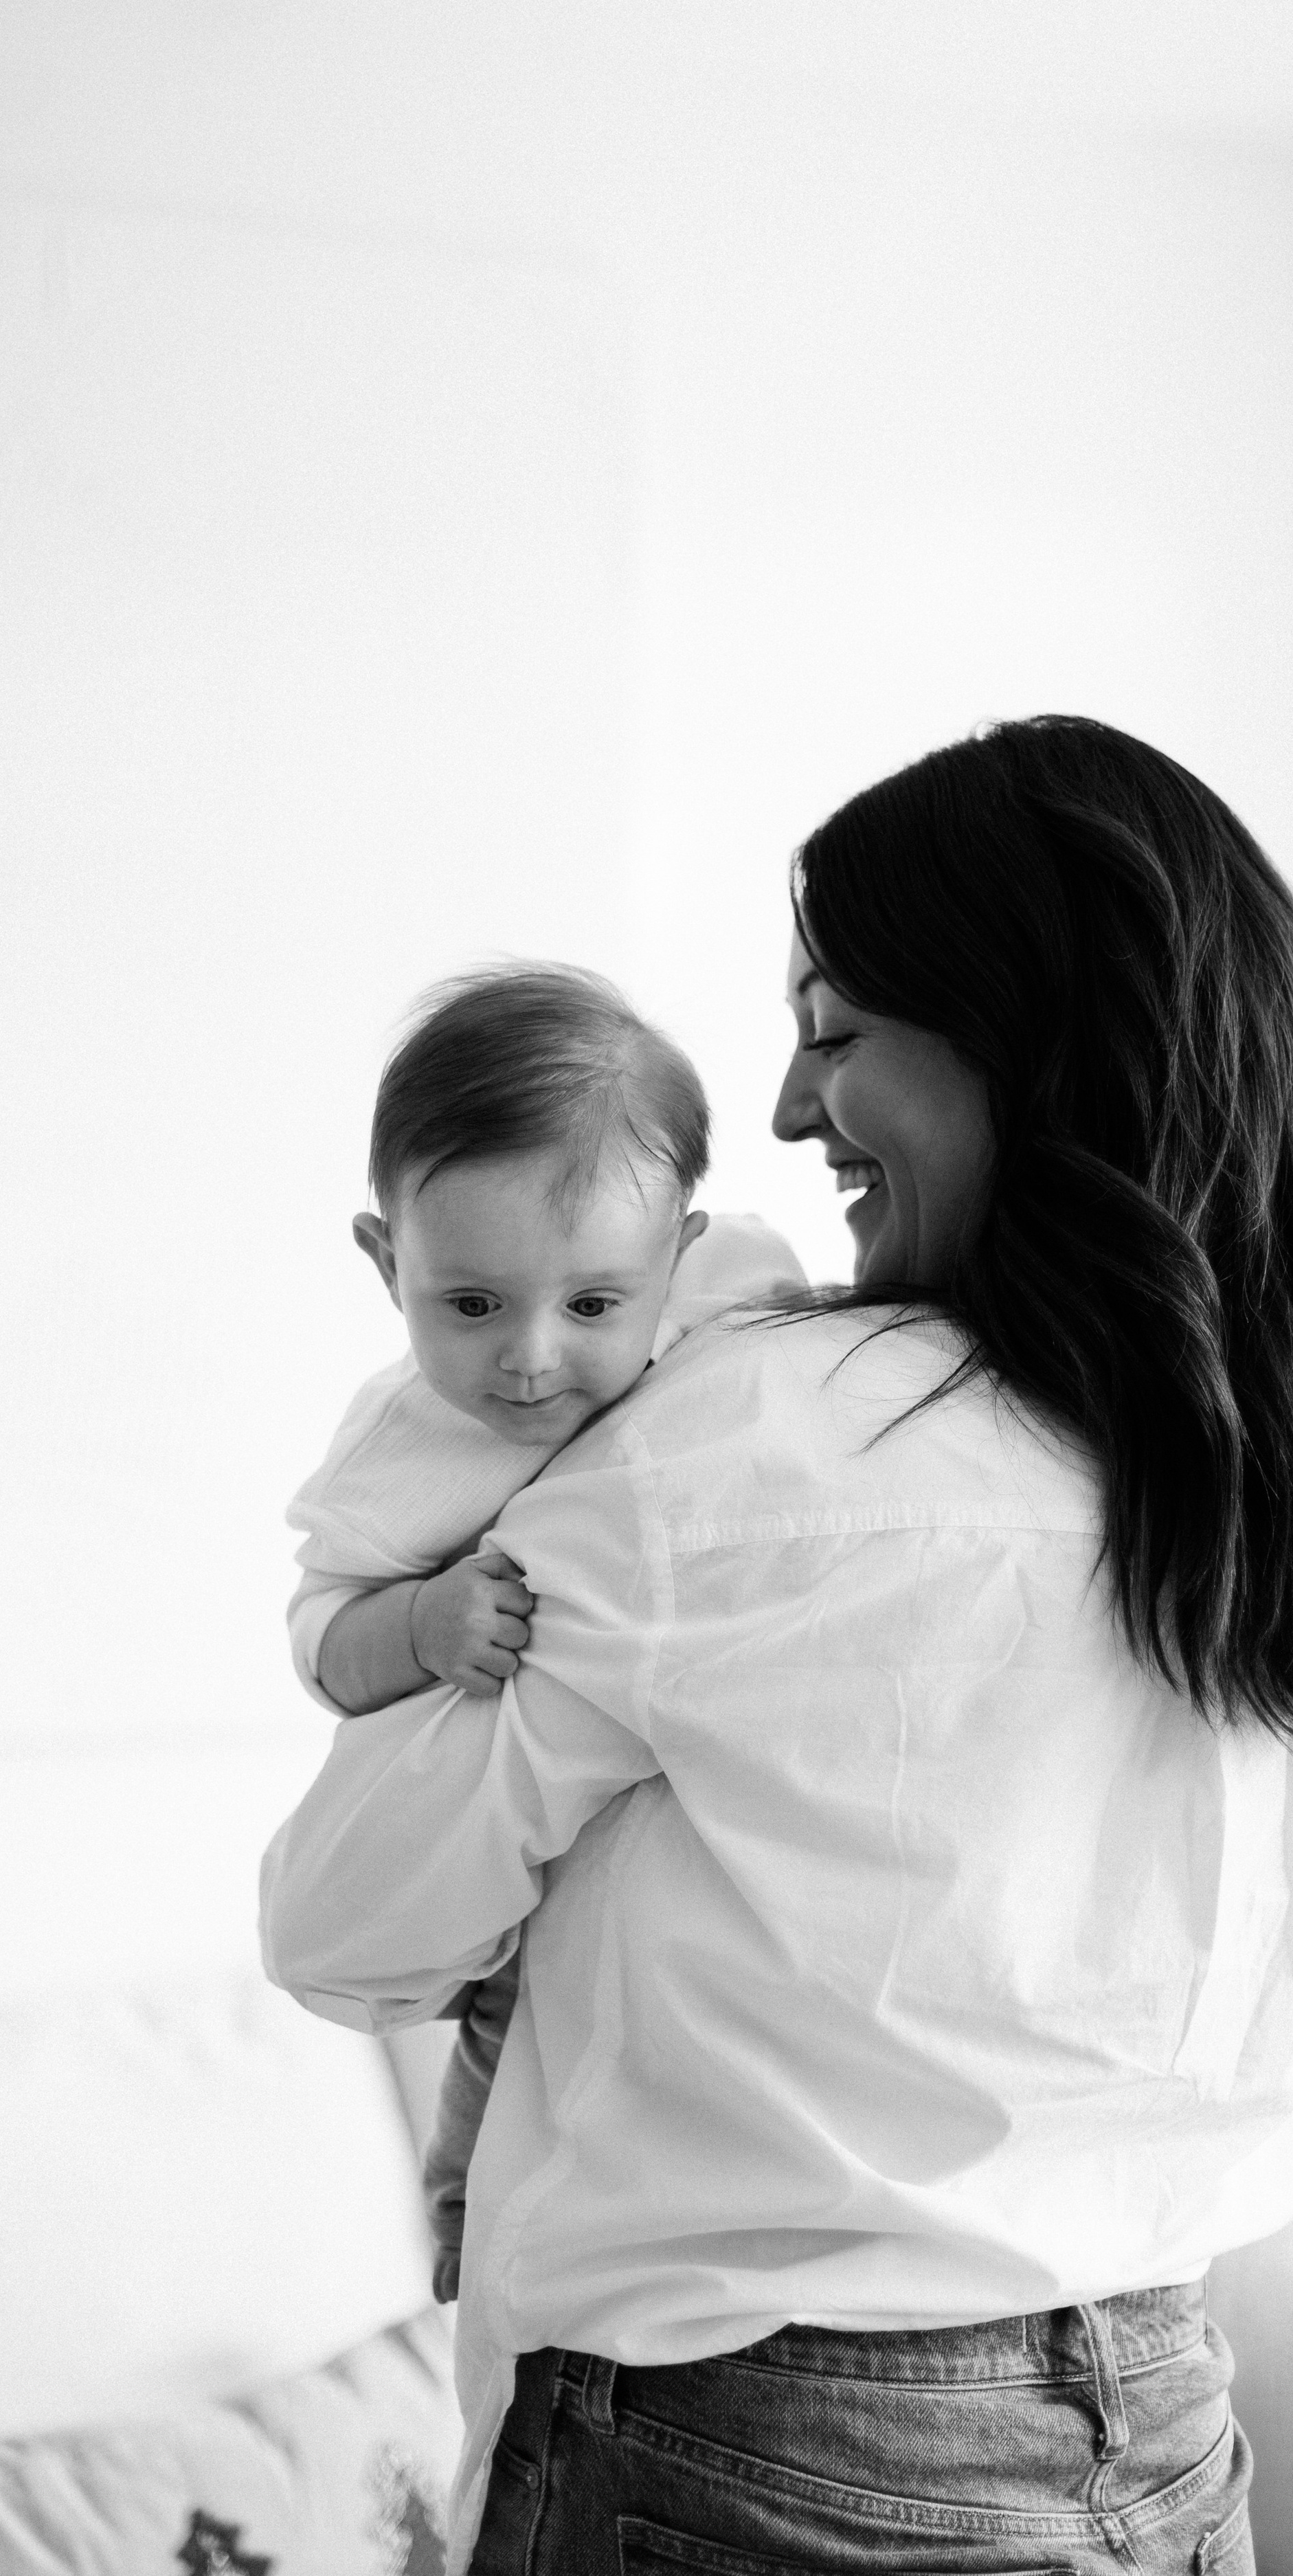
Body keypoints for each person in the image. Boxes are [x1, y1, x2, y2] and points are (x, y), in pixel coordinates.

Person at [262, 717, 1293, 2576]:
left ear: (1012, 1046)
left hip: (761, 2481)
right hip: (1164, 2454)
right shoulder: (1282, 1457)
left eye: (838, 1027)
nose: (795, 1112)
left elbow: (344, 1929)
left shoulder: (754, 1431)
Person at [286, 963, 802, 2303]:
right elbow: (324, 1643)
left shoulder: (732, 1286)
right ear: (381, 1257)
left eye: (589, 1307)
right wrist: (420, 1619)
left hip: (670, 1818)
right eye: (468, 1305)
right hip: (489, 1850)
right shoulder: (398, 1452)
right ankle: (459, 2224)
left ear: (677, 1258)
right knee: (508, 2047)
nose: (526, 1358)